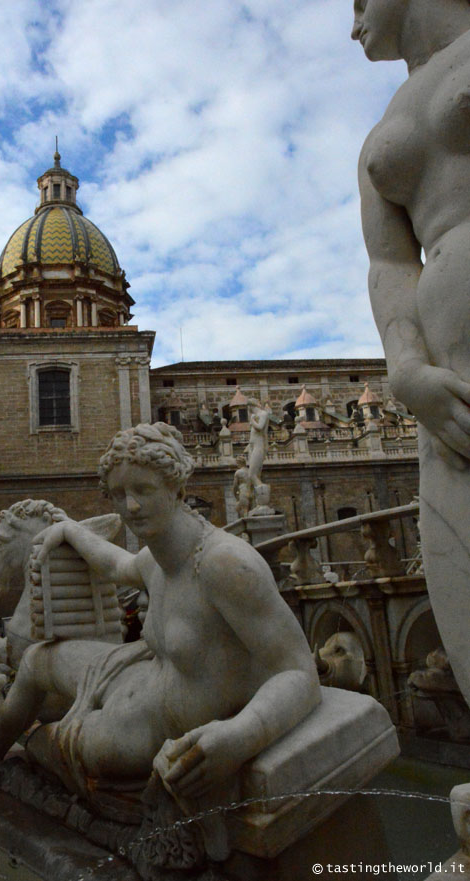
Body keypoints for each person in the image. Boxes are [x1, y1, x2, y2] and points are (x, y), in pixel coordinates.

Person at [0, 422, 320, 806]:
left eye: (143, 490)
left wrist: (242, 734)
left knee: (40, 742)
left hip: (134, 735)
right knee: (36, 660)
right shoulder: (157, 561)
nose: (131, 507)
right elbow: (116, 564)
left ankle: (9, 765)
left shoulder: (225, 565)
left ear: (177, 488)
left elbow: (298, 671)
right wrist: (70, 530)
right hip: (133, 680)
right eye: (119, 494)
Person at [353, 0, 470, 703]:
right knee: (461, 580)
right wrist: (404, 369)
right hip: (441, 388)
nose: (354, 20)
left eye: (360, 0)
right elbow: (389, 264)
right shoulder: (379, 134)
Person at [247, 400, 271, 488]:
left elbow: (260, 427)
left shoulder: (263, 414)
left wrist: (252, 420)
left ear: (250, 406)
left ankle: (263, 492)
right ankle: (257, 496)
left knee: (252, 475)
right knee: (255, 475)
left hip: (258, 446)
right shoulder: (256, 416)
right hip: (253, 447)